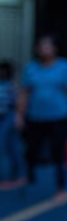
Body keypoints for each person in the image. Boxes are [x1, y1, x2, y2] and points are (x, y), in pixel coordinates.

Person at [15, 35, 67, 199]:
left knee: (58, 151)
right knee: (32, 149)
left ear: (55, 49)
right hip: (36, 116)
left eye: (48, 46)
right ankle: (30, 174)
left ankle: (61, 186)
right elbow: (24, 93)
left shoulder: (64, 67)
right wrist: (19, 114)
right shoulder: (32, 68)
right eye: (42, 46)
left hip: (60, 115)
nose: (44, 49)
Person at [0, 61, 23, 189]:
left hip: (8, 117)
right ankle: (14, 174)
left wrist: (18, 117)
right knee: (9, 146)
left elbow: (18, 102)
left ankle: (13, 175)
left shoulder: (11, 86)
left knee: (8, 146)